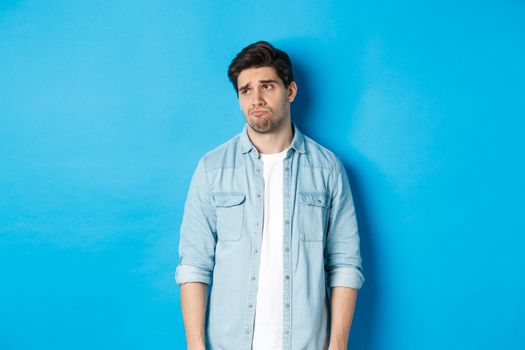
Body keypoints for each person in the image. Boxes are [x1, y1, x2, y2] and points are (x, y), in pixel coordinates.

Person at [175, 41, 364, 350]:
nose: (256, 99)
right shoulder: (212, 169)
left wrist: (338, 345)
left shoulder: (327, 169)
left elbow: (344, 264)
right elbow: (194, 265)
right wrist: (196, 347)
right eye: (245, 90)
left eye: (267, 86)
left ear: (290, 91)